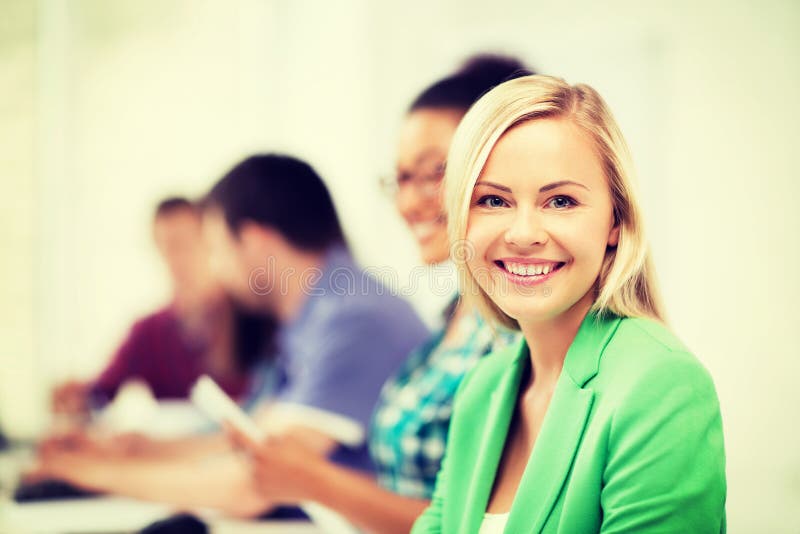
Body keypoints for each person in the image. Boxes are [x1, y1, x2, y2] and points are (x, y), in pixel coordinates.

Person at [409, 75, 727, 533]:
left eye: (560, 201)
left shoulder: (663, 385)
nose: (522, 234)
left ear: (616, 220)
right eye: (493, 200)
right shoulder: (485, 386)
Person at [227, 55, 530, 533]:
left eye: (434, 172)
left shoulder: (520, 334)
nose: (409, 202)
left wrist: (314, 480)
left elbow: (477, 524)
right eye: (401, 179)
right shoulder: (451, 319)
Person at [31, 154, 429, 516]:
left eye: (216, 249)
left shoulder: (354, 321)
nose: (217, 270)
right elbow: (250, 436)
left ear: (254, 241)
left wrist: (93, 473)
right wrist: (136, 450)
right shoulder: (310, 319)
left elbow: (258, 480)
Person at [51, 197, 256, 418]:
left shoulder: (253, 318)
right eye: (164, 246)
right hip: (175, 451)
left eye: (183, 244)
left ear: (212, 241)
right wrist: (76, 396)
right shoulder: (149, 331)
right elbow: (100, 393)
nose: (174, 259)